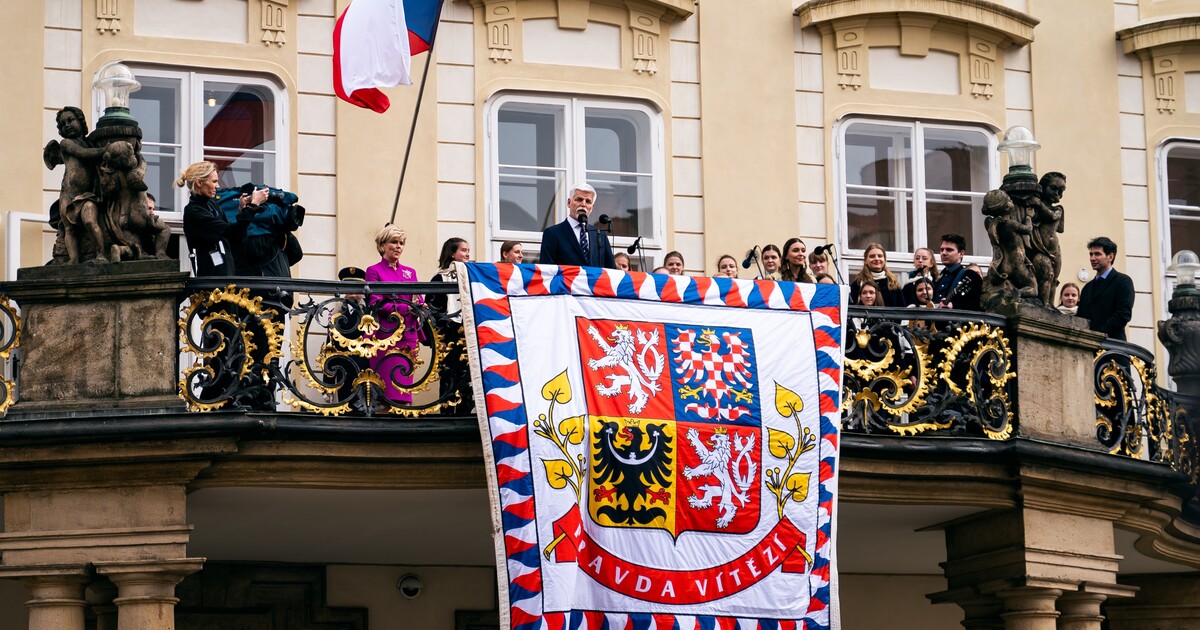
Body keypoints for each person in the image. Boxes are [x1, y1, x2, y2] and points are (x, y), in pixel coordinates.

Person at [365, 226, 425, 405]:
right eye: (394, 242)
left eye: (401, 243)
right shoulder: (373, 270)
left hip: (408, 333)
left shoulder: (410, 272)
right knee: (386, 390)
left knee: (404, 386)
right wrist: (407, 307)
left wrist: (420, 306)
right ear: (382, 246)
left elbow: (418, 298)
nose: (398, 246)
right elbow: (376, 302)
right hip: (386, 335)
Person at [180, 161, 266, 276]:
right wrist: (253, 205)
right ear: (199, 182)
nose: (218, 186)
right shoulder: (194, 211)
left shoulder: (212, 204)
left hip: (226, 277)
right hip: (210, 283)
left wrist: (242, 209)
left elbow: (236, 236)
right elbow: (230, 232)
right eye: (214, 181)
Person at [430, 238, 473, 414]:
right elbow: (433, 308)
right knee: (449, 374)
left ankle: (465, 412)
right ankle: (447, 413)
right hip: (449, 333)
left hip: (468, 331)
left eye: (468, 250)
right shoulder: (440, 277)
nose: (468, 254)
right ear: (452, 253)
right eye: (463, 250)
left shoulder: (471, 274)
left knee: (468, 375)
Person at [537, 183, 616, 268]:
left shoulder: (599, 235)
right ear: (569, 202)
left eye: (588, 201)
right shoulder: (553, 233)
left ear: (592, 207)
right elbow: (547, 270)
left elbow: (611, 270)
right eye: (579, 199)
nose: (583, 204)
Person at [1077, 236, 1135, 341]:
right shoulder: (1087, 288)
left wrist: (1097, 335)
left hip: (1112, 347)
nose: (1092, 258)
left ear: (1110, 257)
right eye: (1091, 254)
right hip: (1088, 348)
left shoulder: (1123, 281)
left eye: (1097, 254)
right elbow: (1081, 317)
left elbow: (1123, 314)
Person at [933, 233, 983, 311]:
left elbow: (979, 305)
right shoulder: (939, 277)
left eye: (949, 250)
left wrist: (954, 306)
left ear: (961, 254)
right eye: (942, 250)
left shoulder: (970, 276)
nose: (943, 253)